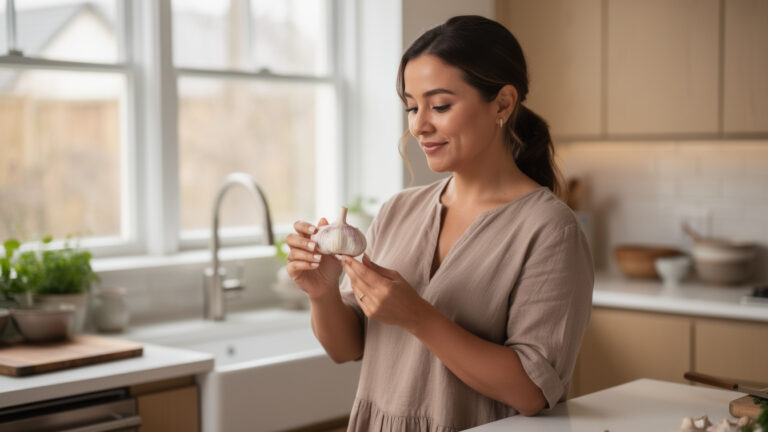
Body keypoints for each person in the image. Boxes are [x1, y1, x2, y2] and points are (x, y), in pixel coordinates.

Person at [285, 15, 594, 432]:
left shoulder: (550, 230)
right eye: (412, 107)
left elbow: (532, 392)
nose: (418, 125)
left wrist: (417, 316)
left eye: (440, 105)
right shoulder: (398, 211)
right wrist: (321, 295)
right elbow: (348, 348)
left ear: (503, 103)